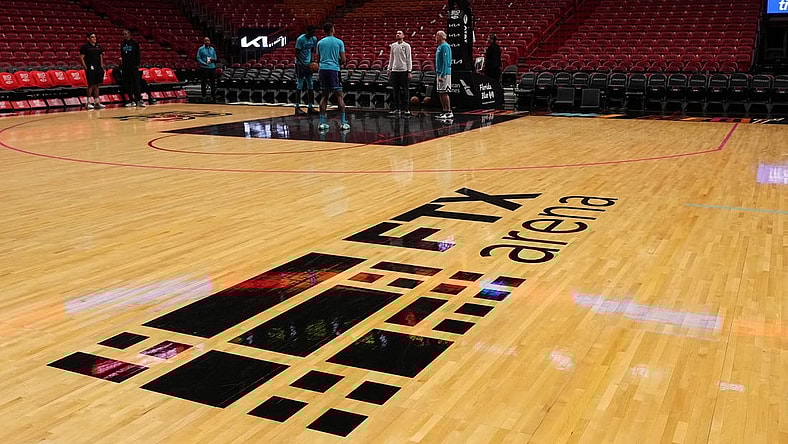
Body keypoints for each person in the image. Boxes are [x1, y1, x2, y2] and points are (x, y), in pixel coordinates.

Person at [315, 22, 349, 131]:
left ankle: (321, 123)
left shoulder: (320, 43)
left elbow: (318, 59)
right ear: (332, 30)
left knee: (324, 95)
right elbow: (343, 60)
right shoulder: (339, 42)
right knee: (339, 95)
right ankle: (343, 123)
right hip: (334, 70)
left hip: (323, 70)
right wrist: (336, 61)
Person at [387, 30, 413, 117]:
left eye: (399, 33)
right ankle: (396, 108)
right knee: (395, 90)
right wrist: (389, 68)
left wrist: (409, 71)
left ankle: (406, 109)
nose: (398, 34)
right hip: (395, 71)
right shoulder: (393, 46)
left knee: (405, 90)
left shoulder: (406, 46)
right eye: (397, 33)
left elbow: (409, 59)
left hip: (404, 71)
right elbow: (391, 58)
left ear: (403, 36)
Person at [294, 25, 318, 115]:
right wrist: (303, 64)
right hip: (300, 64)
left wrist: (312, 61)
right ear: (307, 31)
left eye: (313, 32)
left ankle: (310, 106)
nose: (313, 33)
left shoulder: (314, 39)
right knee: (300, 84)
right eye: (311, 31)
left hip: (308, 64)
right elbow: (296, 54)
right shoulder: (300, 39)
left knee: (310, 84)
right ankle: (297, 107)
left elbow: (312, 50)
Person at [80, 32, 105, 110]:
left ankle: (97, 102)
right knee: (91, 85)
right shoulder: (85, 47)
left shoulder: (98, 46)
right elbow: (81, 57)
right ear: (88, 39)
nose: (94, 38)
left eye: (95, 37)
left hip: (98, 68)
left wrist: (101, 66)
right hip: (90, 67)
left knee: (97, 85)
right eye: (92, 37)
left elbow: (101, 56)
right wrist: (85, 67)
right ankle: (88, 102)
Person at [120, 29, 144, 107]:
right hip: (125, 67)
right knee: (128, 83)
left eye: (125, 34)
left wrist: (137, 64)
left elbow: (138, 54)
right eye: (123, 34)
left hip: (133, 66)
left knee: (136, 83)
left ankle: (139, 99)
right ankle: (131, 100)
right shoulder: (122, 44)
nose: (124, 36)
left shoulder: (134, 43)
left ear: (129, 34)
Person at [434, 30, 453, 120]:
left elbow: (446, 62)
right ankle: (444, 111)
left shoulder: (445, 46)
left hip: (444, 73)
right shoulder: (439, 47)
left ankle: (449, 111)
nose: (435, 37)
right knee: (440, 92)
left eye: (437, 35)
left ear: (441, 36)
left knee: (444, 92)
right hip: (439, 72)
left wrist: (442, 74)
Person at [196, 37, 217, 102]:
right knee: (203, 82)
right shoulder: (201, 49)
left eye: (208, 41)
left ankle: (213, 95)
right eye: (206, 41)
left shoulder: (212, 49)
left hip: (212, 67)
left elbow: (215, 57)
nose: (207, 42)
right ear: (204, 42)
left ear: (210, 42)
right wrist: (203, 63)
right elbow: (198, 58)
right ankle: (204, 95)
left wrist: (214, 59)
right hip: (204, 67)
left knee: (213, 82)